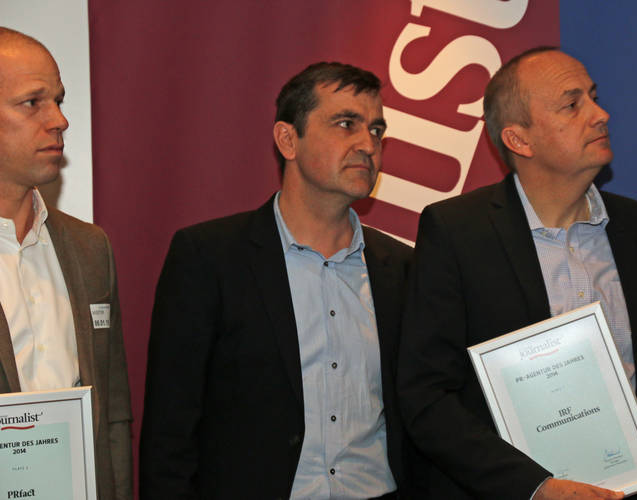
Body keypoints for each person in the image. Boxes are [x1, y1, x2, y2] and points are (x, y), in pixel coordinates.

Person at [398, 47, 637, 499]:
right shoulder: (458, 231)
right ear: (520, 140)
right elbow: (427, 394)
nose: (600, 114)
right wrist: (535, 488)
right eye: (572, 104)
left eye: (594, 97)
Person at [139, 62, 413, 499]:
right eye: (346, 124)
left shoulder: (402, 267)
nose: (368, 145)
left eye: (376, 130)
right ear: (288, 140)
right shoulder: (209, 257)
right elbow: (170, 429)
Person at [0, 27, 133, 499]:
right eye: (32, 102)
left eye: (58, 100)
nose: (59, 120)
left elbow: (113, 413)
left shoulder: (89, 247)